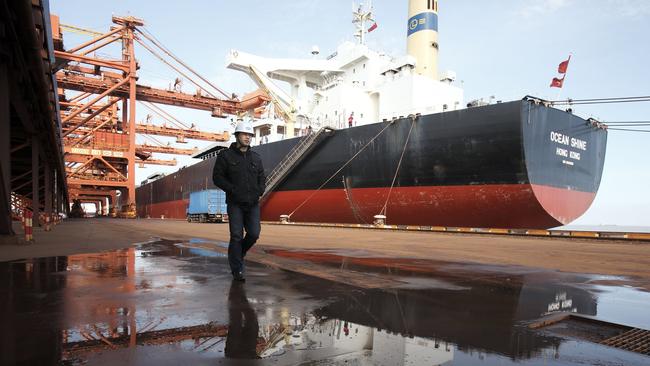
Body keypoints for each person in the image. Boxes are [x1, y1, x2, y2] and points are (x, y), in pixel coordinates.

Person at [213, 120, 266, 282]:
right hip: (235, 203)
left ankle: (238, 252)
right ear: (237, 135)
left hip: (252, 203)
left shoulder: (256, 158)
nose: (247, 137)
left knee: (254, 233)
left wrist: (259, 191)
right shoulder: (225, 156)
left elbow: (262, 178)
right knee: (236, 236)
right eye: (244, 134)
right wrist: (233, 190)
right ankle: (237, 269)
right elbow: (217, 177)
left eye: (250, 135)